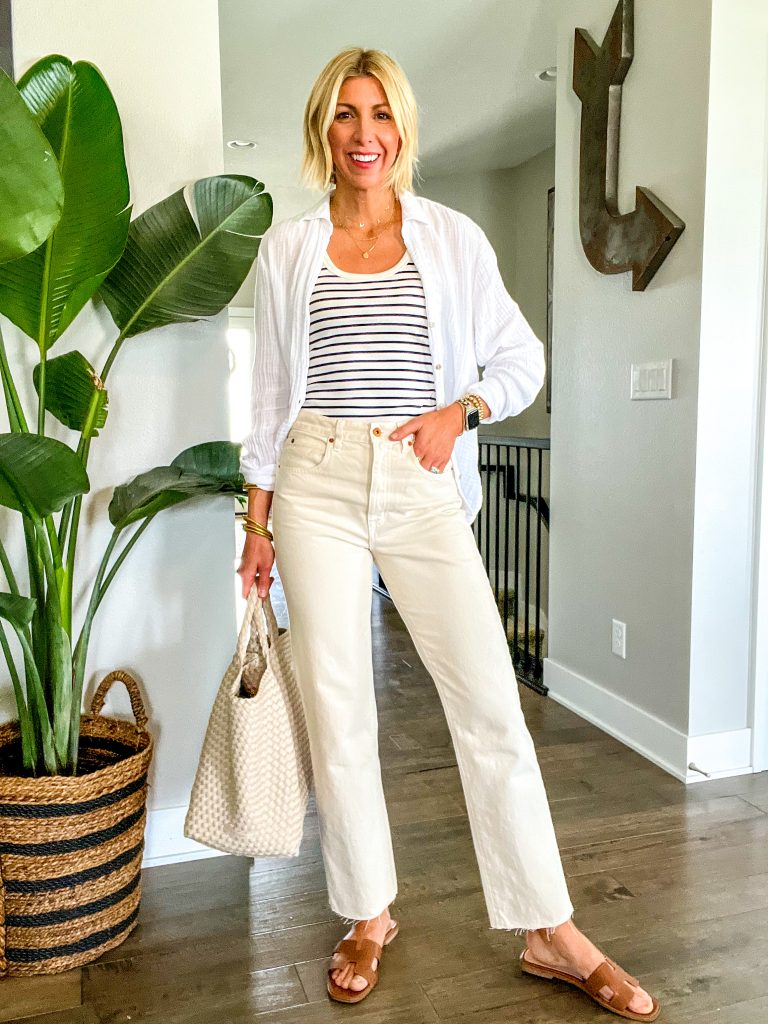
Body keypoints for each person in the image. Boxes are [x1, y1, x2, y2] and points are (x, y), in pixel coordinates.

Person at [237, 46, 659, 1023]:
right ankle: (368, 912)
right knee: (340, 711)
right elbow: (264, 402)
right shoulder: (287, 252)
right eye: (344, 114)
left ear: (402, 128)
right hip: (315, 479)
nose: (363, 133)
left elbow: (520, 363)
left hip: (421, 478)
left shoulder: (453, 240)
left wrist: (458, 412)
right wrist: (254, 523)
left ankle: (549, 928)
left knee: (491, 707)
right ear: (322, 131)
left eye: (379, 113)